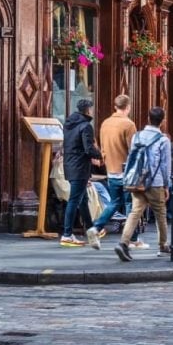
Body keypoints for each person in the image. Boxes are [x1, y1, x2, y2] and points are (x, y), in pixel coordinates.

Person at [115, 106, 172, 261]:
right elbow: (165, 165)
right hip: (155, 181)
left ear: (148, 118)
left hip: (137, 181)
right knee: (160, 213)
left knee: (135, 212)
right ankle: (163, 244)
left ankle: (123, 243)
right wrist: (167, 185)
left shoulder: (137, 136)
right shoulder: (163, 140)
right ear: (163, 121)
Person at [89, 94, 143, 244]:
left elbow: (102, 147)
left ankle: (96, 227)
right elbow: (134, 150)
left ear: (115, 106)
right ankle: (133, 238)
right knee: (130, 205)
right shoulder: (129, 124)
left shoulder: (105, 123)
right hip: (127, 170)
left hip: (111, 169)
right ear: (128, 107)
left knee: (114, 202)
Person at [60, 99, 103, 248]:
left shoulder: (69, 125)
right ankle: (66, 235)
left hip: (70, 165)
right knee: (74, 200)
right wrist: (100, 154)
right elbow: (88, 149)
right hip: (80, 167)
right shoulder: (86, 126)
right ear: (88, 110)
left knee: (83, 200)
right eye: (91, 109)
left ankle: (91, 231)